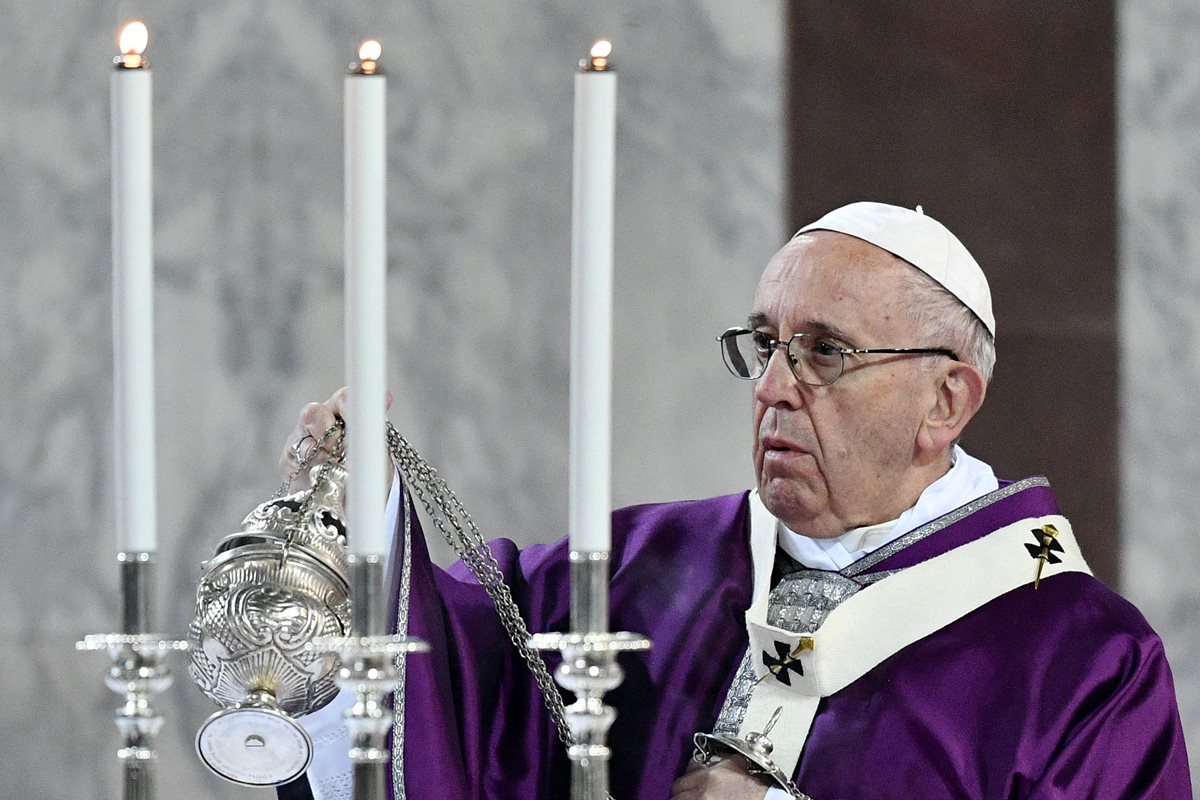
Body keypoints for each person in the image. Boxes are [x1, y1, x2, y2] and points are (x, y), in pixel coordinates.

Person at [277, 202, 1191, 799]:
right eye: (764, 345)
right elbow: (455, 682)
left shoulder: (1083, 665)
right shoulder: (644, 569)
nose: (772, 388)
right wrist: (364, 534)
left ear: (945, 402)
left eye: (824, 352)